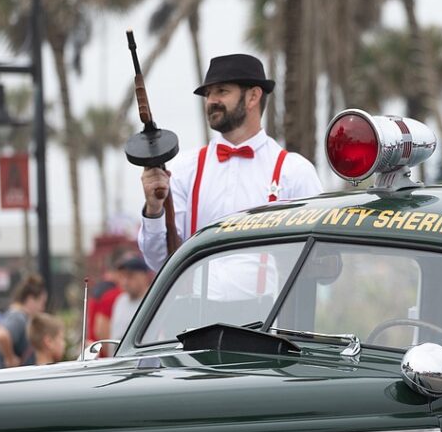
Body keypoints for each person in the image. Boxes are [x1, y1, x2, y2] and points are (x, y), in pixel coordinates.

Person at [138, 54, 323, 271]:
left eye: (222, 91)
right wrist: (153, 209)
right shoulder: (184, 170)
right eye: (208, 94)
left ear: (253, 96)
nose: (211, 101)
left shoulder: (294, 172)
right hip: (194, 304)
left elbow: (318, 261)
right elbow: (159, 261)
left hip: (269, 305)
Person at [0, 274, 47, 367]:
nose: (42, 308)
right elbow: (1, 336)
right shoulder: (18, 317)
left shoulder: (18, 316)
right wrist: (10, 359)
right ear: (31, 299)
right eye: (42, 302)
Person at [108, 255, 154, 343]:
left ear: (144, 276)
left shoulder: (153, 300)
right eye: (122, 276)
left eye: (130, 276)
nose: (125, 281)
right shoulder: (120, 301)